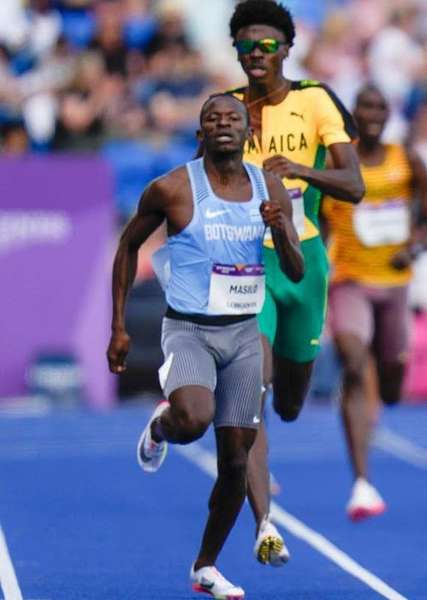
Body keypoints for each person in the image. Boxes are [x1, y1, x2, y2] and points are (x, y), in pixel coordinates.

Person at [107, 94, 303, 599]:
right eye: (212, 119)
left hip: (242, 335)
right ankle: (161, 423)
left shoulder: (270, 188)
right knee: (193, 419)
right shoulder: (173, 188)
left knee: (236, 458)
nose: (222, 125)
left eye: (232, 119)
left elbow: (297, 269)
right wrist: (119, 327)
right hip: (189, 330)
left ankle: (206, 566)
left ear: (247, 133)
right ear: (201, 133)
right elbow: (129, 245)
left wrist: (280, 230)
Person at [225, 0, 365, 567]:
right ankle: (265, 525)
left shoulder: (315, 100)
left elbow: (353, 186)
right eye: (245, 46)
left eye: (266, 45)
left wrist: (301, 171)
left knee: (287, 401)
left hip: (301, 261)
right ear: (235, 51)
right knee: (250, 387)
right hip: (243, 264)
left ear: (286, 48)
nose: (256, 55)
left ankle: (277, 410)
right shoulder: (224, 110)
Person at [321, 84, 427, 521]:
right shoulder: (338, 160)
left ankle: (384, 384)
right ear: (353, 115)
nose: (372, 113)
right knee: (354, 362)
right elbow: (317, 223)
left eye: (379, 106)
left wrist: (413, 247)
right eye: (364, 107)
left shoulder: (406, 160)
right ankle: (361, 482)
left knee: (390, 379)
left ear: (388, 112)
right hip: (349, 280)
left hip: (394, 284)